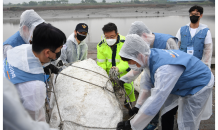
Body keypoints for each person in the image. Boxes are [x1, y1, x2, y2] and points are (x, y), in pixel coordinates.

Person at [116, 34, 214, 130]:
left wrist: (132, 124)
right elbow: (146, 87)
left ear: (139, 55)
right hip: (182, 79)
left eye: (130, 61)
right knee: (168, 111)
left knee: (188, 121)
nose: (129, 65)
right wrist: (138, 106)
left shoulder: (164, 69)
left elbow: (156, 100)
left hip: (199, 81)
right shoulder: (149, 57)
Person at [120, 21, 179, 130]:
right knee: (151, 100)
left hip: (172, 82)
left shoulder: (168, 42)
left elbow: (177, 62)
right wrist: (124, 79)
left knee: (167, 112)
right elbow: (141, 67)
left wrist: (133, 125)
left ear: (144, 35)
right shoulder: (144, 51)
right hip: (155, 79)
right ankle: (153, 122)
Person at [2, 23, 66, 122]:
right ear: (47, 53)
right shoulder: (35, 87)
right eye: (59, 49)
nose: (59, 52)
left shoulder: (20, 49)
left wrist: (43, 66)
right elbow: (35, 122)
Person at [97, 22, 135, 115]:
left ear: (117, 34)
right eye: (107, 37)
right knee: (109, 90)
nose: (109, 39)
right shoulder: (101, 45)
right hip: (109, 73)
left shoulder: (126, 43)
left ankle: (129, 105)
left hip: (123, 71)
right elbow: (101, 63)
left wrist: (118, 68)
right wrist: (104, 75)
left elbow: (127, 60)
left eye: (112, 36)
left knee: (129, 88)